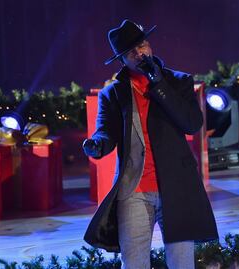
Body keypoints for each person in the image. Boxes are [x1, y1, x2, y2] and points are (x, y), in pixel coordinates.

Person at [82, 19, 218, 269]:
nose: (139, 53)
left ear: (150, 46)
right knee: (134, 263)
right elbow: (105, 132)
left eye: (142, 45)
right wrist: (97, 145)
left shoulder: (179, 82)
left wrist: (159, 84)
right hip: (134, 190)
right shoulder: (112, 94)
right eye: (131, 51)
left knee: (181, 263)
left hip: (176, 188)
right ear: (122, 60)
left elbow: (191, 123)